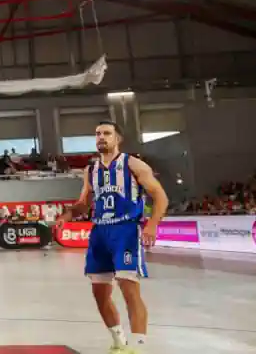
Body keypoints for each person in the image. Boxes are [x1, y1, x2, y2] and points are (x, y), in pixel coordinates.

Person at [63, 121, 168, 354]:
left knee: (129, 288)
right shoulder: (91, 170)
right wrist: (68, 214)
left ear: (117, 138)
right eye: (98, 133)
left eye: (107, 133)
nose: (101, 137)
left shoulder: (133, 164)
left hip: (125, 230)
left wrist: (152, 225)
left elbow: (160, 196)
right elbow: (84, 203)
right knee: (99, 293)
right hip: (100, 231)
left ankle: (138, 346)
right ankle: (118, 342)